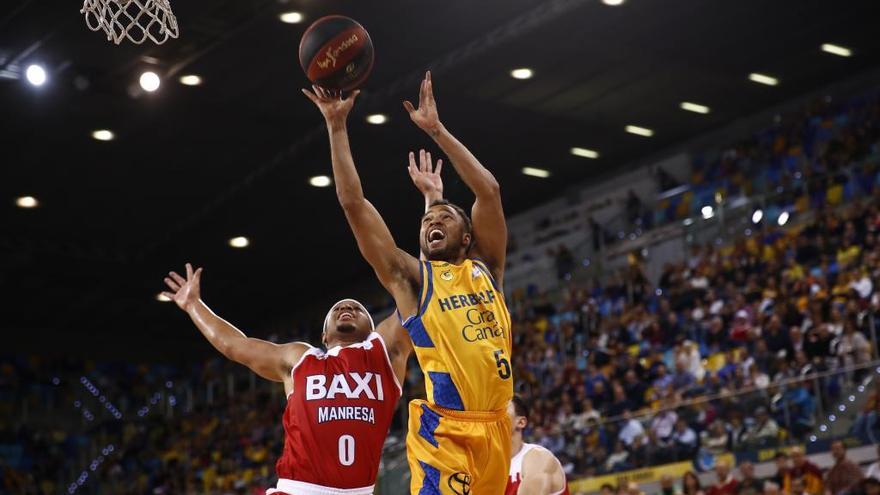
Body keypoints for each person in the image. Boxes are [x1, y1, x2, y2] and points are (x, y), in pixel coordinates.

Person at [303, 70, 513, 494]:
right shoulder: (413, 280)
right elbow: (353, 204)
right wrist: (337, 127)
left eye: (443, 219)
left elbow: (488, 191)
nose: (432, 222)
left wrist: (437, 132)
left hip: (498, 430)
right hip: (448, 434)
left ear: (467, 236)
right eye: (427, 221)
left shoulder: (486, 267)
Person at [161, 264, 410, 495]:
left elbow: (421, 300)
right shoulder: (300, 359)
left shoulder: (384, 354)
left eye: (357, 309)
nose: (346, 309)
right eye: (337, 309)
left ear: (371, 329)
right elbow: (236, 346)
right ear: (324, 335)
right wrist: (194, 304)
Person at [506, 395, 570, 495]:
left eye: (502, 409)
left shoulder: (538, 457)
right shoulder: (483, 468)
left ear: (521, 422)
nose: (494, 415)